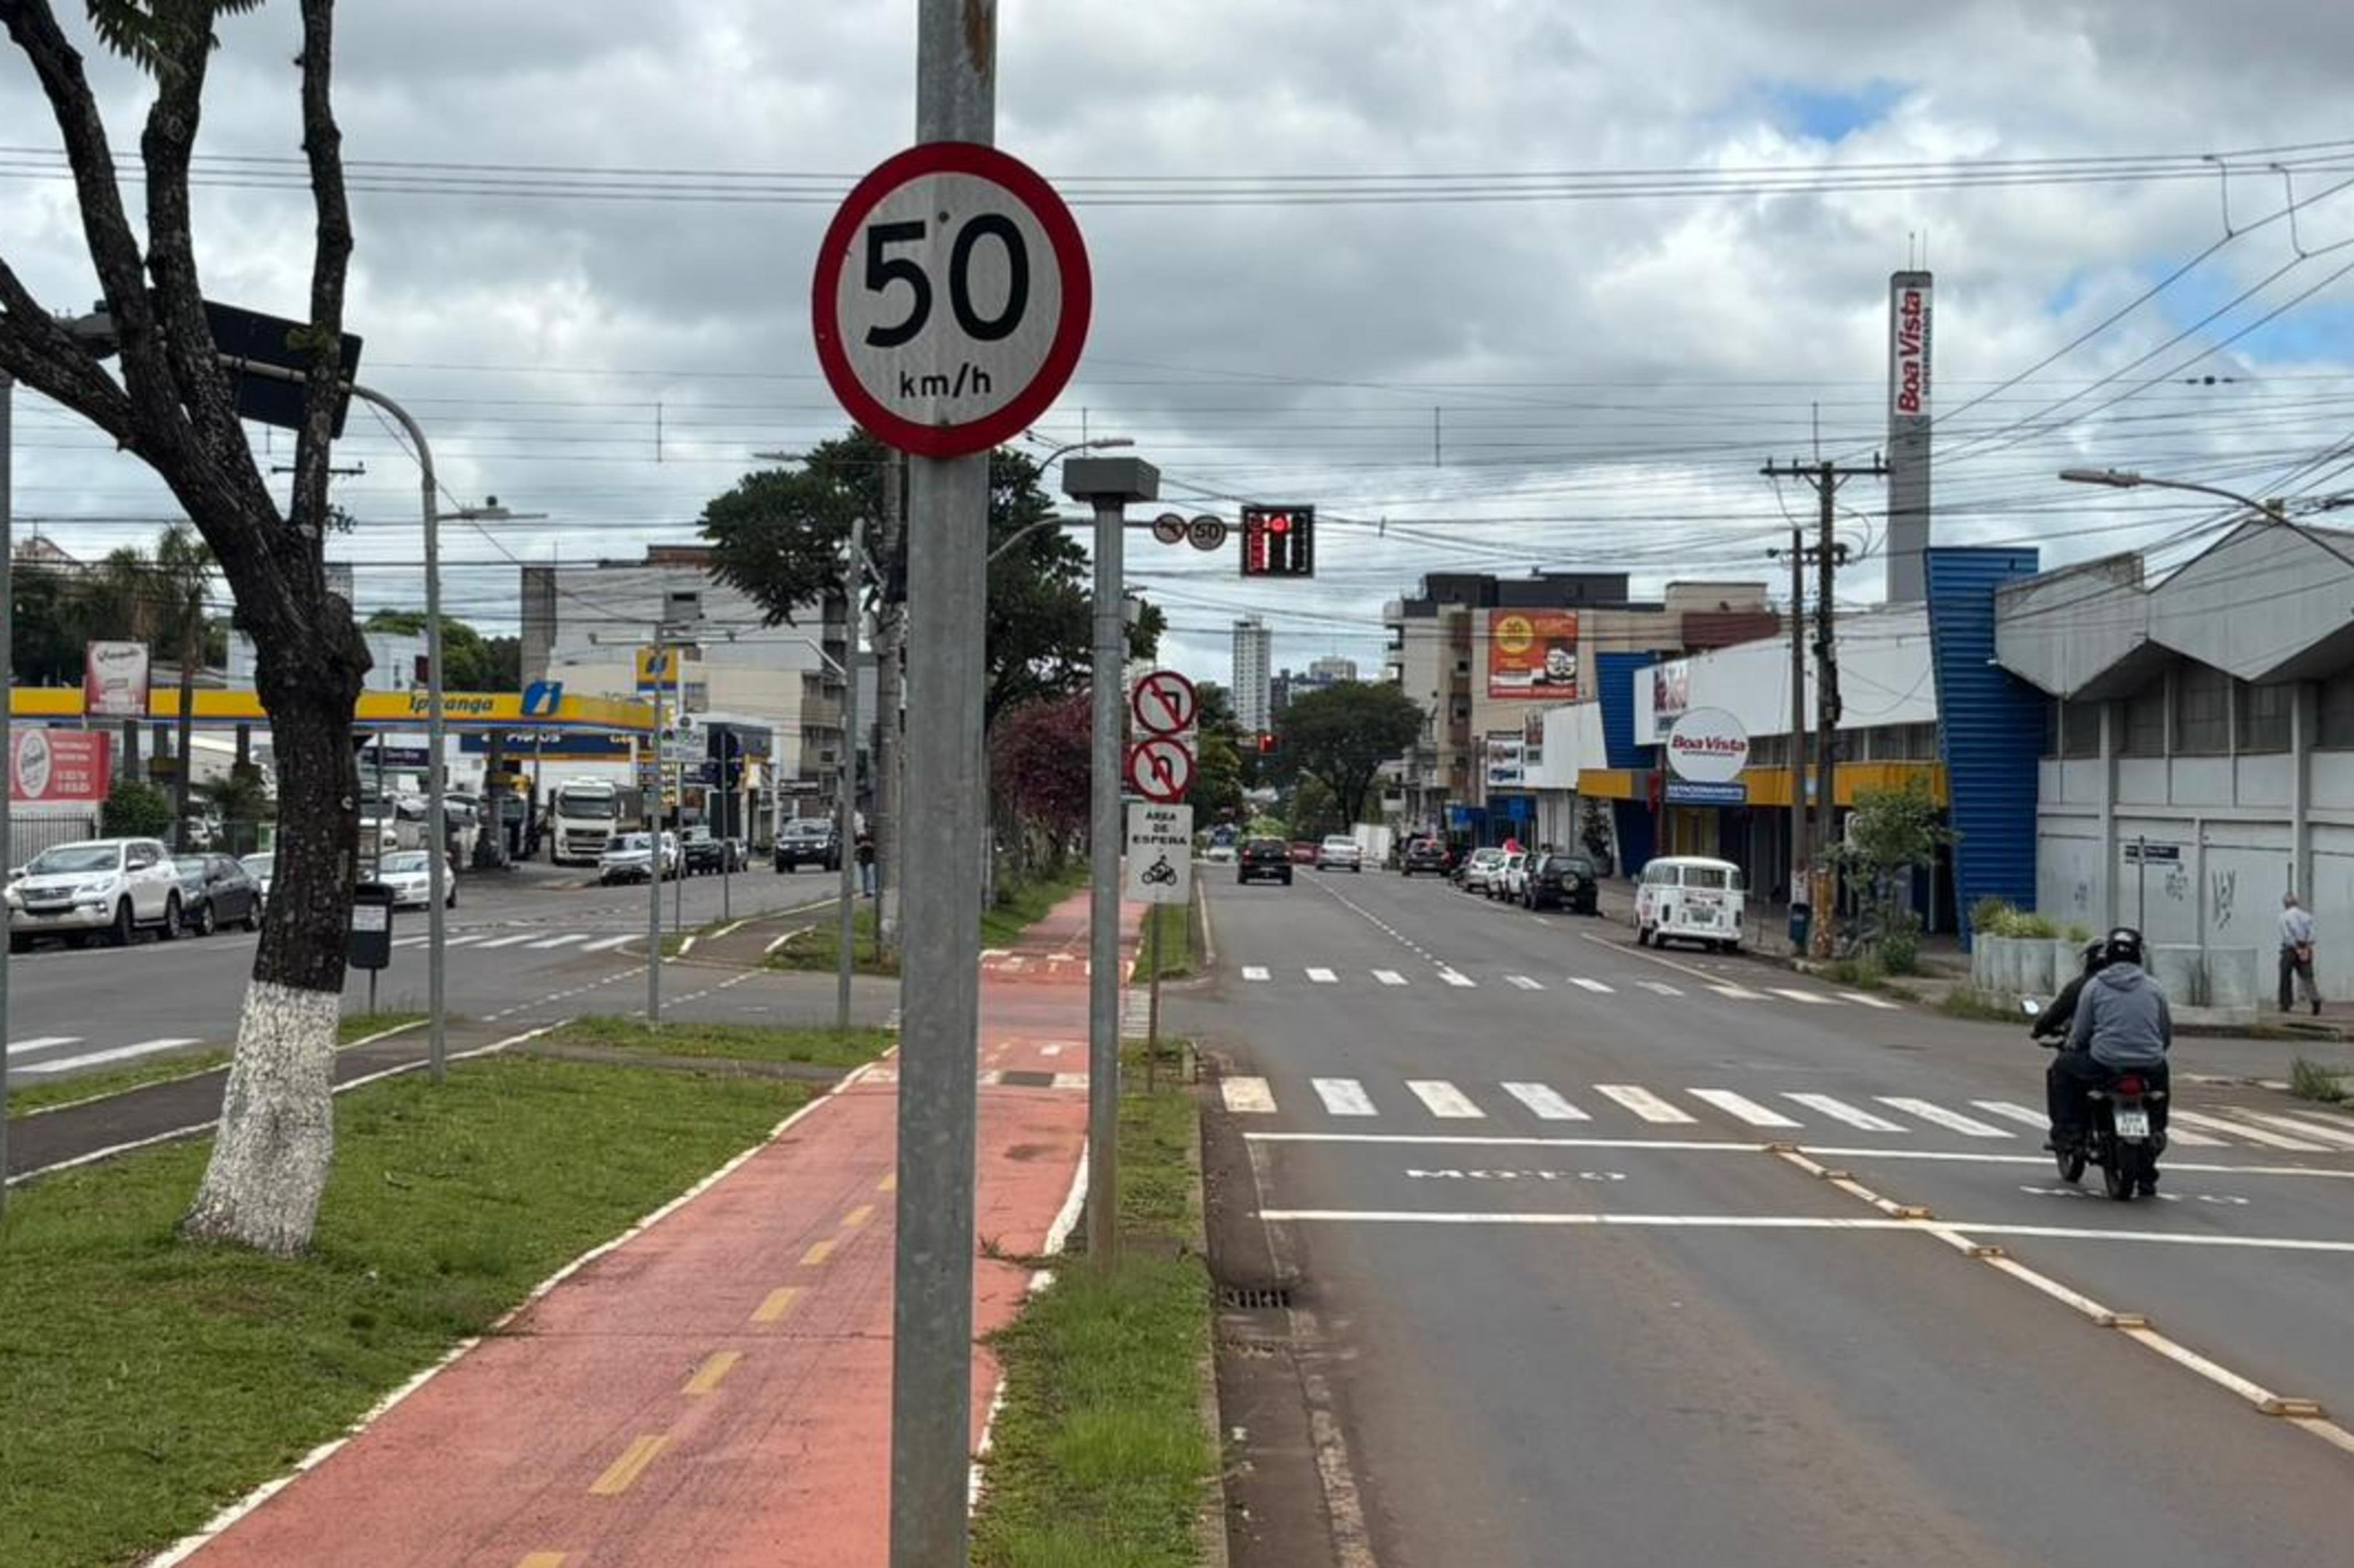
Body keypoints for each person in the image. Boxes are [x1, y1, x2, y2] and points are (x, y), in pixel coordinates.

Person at [2048, 926, 2172, 1193]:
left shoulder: (2094, 987)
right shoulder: (2155, 988)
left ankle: (2068, 1131)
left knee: (2062, 1067)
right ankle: (2158, 1130)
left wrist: (2071, 1046)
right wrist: (2154, 1050)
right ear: (2139, 956)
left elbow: (2080, 1032)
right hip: (2150, 1064)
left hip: (2105, 1062)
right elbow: (2165, 1032)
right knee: (2161, 1084)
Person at [2031, 937, 2109, 1044]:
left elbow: (2058, 1011)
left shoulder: (2082, 985)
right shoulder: (2134, 983)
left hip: (2095, 1048)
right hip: (2133, 1050)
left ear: (2088, 958)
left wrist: (2041, 1027)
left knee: (2065, 1060)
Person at [2279, 892, 2323, 1016]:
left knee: (2285, 976)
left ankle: (2286, 1003)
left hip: (2290, 949)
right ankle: (2315, 1000)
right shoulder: (2306, 916)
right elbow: (2312, 934)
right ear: (2296, 903)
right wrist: (2307, 948)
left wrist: (2296, 948)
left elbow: (2287, 935)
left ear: (2285, 904)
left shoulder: (2284, 917)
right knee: (2307, 976)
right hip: (2306, 946)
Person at [855, 830, 876, 898]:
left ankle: (872, 891)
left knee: (870, 874)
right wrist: (861, 846)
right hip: (862, 859)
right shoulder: (859, 837)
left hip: (871, 859)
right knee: (864, 877)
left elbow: (877, 846)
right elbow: (855, 847)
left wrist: (869, 845)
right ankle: (865, 891)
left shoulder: (873, 835)